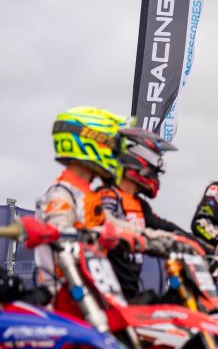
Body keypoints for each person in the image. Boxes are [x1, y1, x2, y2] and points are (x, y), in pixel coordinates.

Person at [35, 107, 140, 293]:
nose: (116, 152)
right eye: (111, 144)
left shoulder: (86, 193)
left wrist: (160, 239)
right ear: (90, 143)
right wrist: (104, 235)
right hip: (63, 296)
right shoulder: (61, 194)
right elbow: (60, 238)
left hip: (91, 293)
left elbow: (116, 225)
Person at [99, 126, 191, 298]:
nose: (155, 177)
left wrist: (196, 243)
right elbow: (106, 224)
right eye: (153, 171)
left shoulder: (139, 204)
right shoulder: (108, 196)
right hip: (110, 289)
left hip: (133, 287)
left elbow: (164, 226)